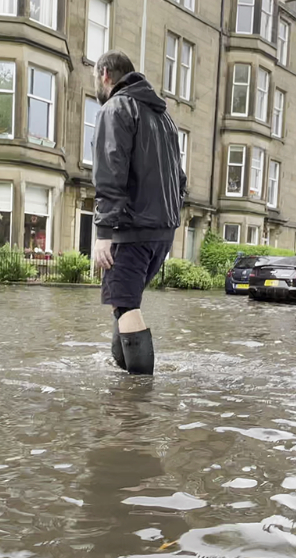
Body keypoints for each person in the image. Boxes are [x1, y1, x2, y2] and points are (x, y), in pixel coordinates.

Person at [91, 50, 185, 376]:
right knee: (123, 302)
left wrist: (103, 233)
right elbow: (180, 178)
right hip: (162, 231)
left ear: (105, 75)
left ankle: (138, 405)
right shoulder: (164, 118)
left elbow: (109, 171)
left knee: (126, 305)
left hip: (130, 229)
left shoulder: (115, 108)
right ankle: (123, 380)